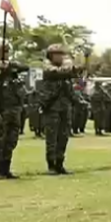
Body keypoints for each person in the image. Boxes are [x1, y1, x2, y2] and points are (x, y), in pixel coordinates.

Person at [0, 41, 28, 179]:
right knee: (0, 141)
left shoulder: (12, 67)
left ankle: (7, 168)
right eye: (3, 51)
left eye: (7, 51)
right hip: (0, 109)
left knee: (12, 140)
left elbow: (26, 67)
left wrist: (9, 67)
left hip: (14, 109)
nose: (6, 54)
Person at [39, 44, 82, 175]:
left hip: (65, 106)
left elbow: (70, 84)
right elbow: (58, 73)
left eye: (61, 54)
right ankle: (51, 164)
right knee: (52, 137)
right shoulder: (48, 67)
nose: (59, 57)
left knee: (63, 136)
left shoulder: (65, 69)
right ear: (50, 56)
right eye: (56, 54)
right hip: (52, 107)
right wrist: (73, 68)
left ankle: (60, 163)